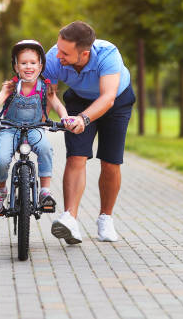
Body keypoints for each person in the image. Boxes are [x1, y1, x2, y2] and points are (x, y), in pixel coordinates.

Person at [43, 21, 135, 243]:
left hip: (115, 102)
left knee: (110, 161)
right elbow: (49, 94)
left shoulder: (108, 55)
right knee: (76, 155)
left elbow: (108, 98)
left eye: (65, 52)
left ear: (84, 54)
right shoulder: (54, 57)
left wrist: (84, 119)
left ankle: (105, 218)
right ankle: (70, 219)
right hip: (78, 99)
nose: (58, 56)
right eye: (58, 48)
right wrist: (40, 123)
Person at [0, 40, 72, 214]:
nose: (29, 67)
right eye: (23, 63)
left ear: (41, 65)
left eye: (33, 63)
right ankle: (1, 191)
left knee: (45, 149)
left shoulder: (45, 87)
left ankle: (45, 191)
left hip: (35, 128)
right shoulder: (11, 87)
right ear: (16, 66)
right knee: (2, 160)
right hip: (10, 128)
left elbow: (57, 105)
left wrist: (65, 118)